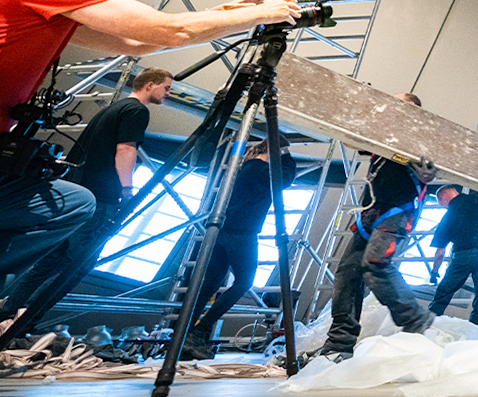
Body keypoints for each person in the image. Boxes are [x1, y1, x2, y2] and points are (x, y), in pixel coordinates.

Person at [0, 0, 298, 286]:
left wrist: (229, 13)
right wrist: (265, 13)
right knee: (72, 207)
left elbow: (137, 42)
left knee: (70, 206)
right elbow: (170, 31)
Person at [3, 68, 173, 333]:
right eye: (166, 88)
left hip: (77, 192)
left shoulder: (113, 109)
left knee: (50, 261)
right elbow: (125, 150)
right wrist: (128, 191)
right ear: (149, 85)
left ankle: (7, 314)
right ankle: (25, 323)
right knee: (79, 265)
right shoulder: (137, 111)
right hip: (100, 197)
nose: (168, 93)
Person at [320, 92, 437, 360]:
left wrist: (429, 172)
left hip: (397, 210)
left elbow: (434, 166)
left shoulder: (421, 137)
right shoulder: (383, 135)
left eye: (399, 103)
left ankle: (417, 320)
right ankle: (339, 343)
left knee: (375, 264)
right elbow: (350, 141)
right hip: (370, 210)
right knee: (348, 272)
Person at [184, 137, 299, 358]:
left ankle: (184, 333)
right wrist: (286, 155)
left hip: (223, 231)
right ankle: (200, 330)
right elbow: (285, 180)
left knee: (209, 285)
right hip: (242, 234)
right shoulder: (260, 170)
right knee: (244, 282)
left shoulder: (249, 166)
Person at [427, 185, 478, 326]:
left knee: (444, 292)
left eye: (441, 204)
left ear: (442, 198)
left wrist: (434, 272)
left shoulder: (447, 218)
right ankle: (476, 329)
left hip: (462, 256)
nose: (442, 207)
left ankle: (426, 325)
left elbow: (440, 253)